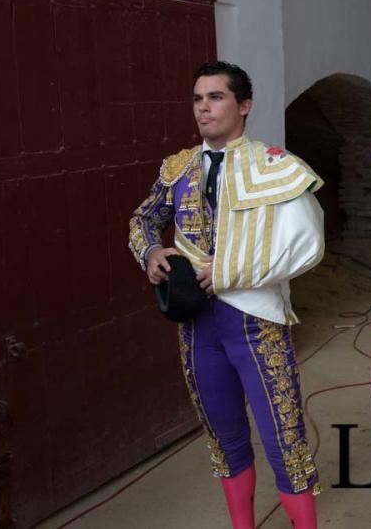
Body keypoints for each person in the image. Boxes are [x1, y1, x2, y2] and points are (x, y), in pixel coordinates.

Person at [128, 61, 325, 529]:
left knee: (285, 439)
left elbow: (309, 244)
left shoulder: (276, 165)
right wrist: (151, 250)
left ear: (244, 106)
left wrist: (231, 272)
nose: (203, 108)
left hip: (256, 322)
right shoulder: (178, 169)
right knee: (225, 439)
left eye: (215, 97)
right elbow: (141, 219)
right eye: (197, 99)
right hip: (198, 327)